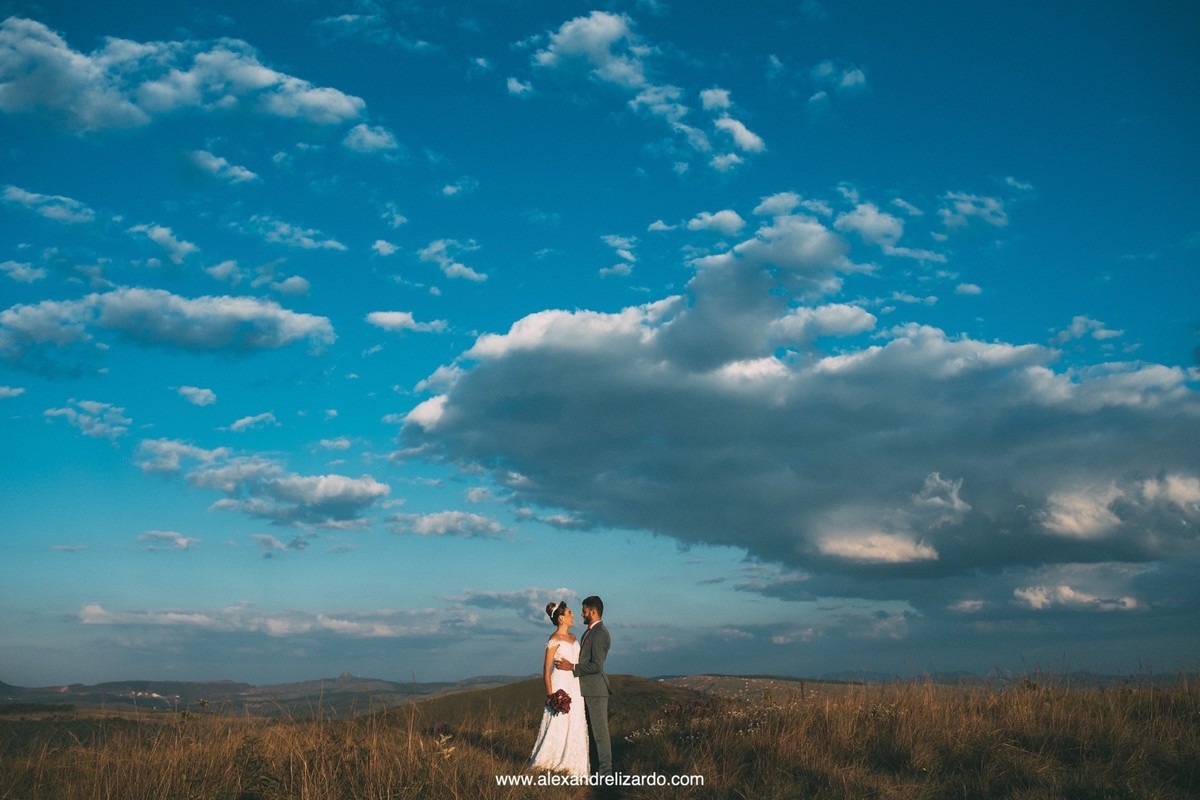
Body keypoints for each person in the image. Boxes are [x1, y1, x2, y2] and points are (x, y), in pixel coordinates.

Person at [528, 601, 589, 776]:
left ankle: (574, 766)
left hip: (575, 684)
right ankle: (548, 762)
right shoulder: (554, 639)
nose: (573, 615)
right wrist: (551, 695)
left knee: (575, 721)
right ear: (561, 618)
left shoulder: (574, 637)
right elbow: (546, 669)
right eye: (570, 612)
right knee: (558, 722)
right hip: (560, 683)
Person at [555, 595, 612, 776]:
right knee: (590, 733)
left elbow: (596, 666)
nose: (581, 614)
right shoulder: (588, 632)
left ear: (593, 612)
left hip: (596, 690)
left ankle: (606, 774)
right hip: (585, 690)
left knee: (600, 734)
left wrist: (571, 667)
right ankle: (594, 769)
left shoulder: (601, 633)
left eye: (584, 611)